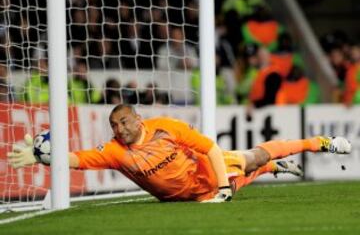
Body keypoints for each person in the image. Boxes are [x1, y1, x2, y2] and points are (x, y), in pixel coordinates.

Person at [7, 104, 351, 203]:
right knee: (251, 175)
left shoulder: (167, 127)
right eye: (114, 125)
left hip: (205, 175)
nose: (120, 129)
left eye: (124, 122)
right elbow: (77, 159)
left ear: (138, 119)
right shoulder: (115, 152)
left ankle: (318, 142)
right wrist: (43, 157)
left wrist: (222, 189)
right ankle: (273, 168)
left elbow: (211, 148)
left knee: (253, 159)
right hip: (189, 197)